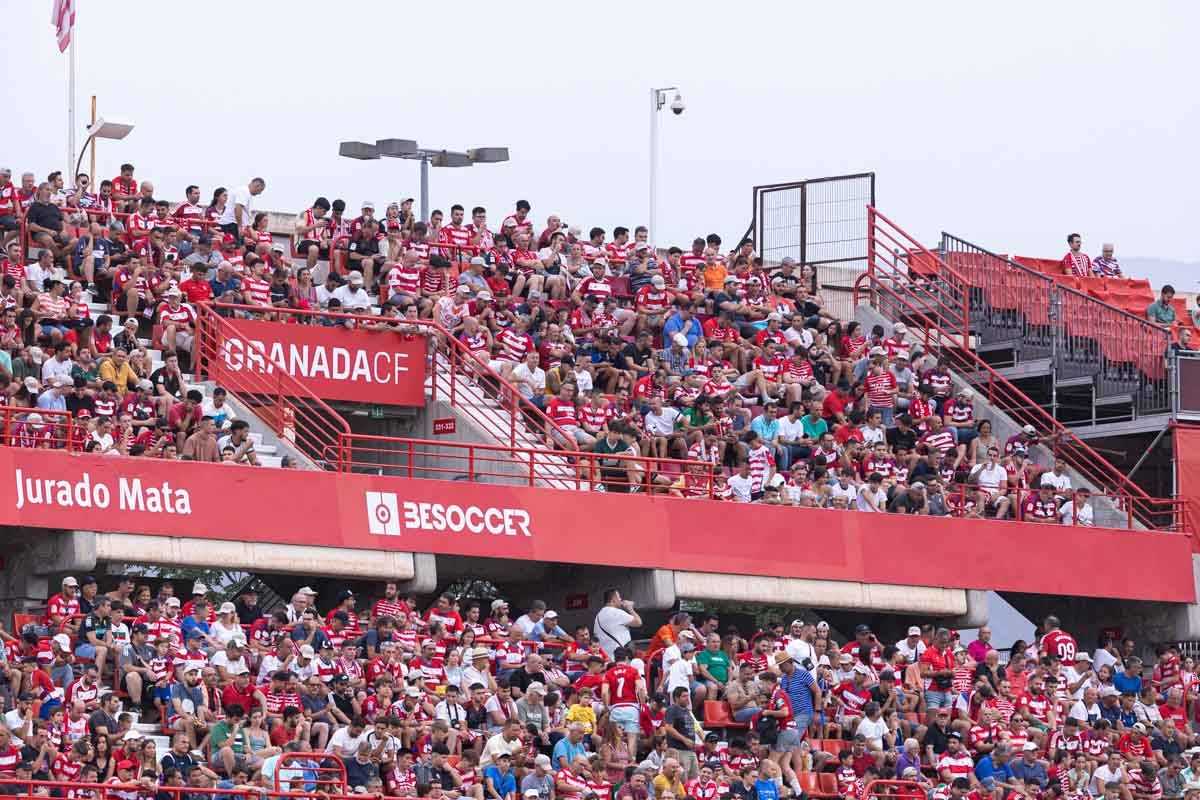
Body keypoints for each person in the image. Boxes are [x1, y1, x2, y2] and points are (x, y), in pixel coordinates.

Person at [594, 589, 641, 656]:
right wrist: (630, 608)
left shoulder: (598, 615)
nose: (621, 599)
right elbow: (638, 622)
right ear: (614, 599)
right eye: (619, 597)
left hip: (606, 657)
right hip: (619, 657)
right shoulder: (616, 612)